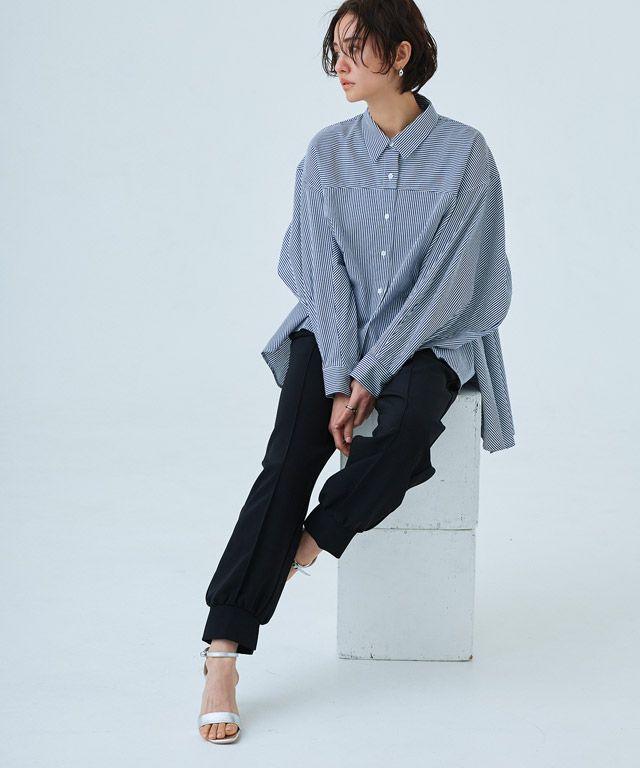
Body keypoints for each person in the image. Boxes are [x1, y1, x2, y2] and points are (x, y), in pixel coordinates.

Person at [198, 0, 515, 744]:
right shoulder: (325, 155)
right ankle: (222, 653)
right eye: (334, 51)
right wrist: (343, 372)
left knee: (407, 430)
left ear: (400, 55)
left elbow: (447, 285)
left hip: (429, 338)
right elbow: (322, 273)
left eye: (355, 48)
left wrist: (373, 373)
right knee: (289, 458)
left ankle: (306, 544)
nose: (339, 65)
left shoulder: (466, 155)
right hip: (332, 332)